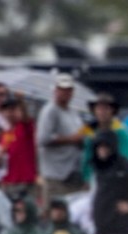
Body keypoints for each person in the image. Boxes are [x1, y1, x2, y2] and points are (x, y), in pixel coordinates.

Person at [35, 73, 85, 205]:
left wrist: (82, 139)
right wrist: (72, 139)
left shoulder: (73, 112)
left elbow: (78, 135)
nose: (65, 92)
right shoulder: (50, 111)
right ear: (55, 90)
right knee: (55, 214)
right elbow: (42, 139)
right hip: (55, 175)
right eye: (62, 89)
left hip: (72, 173)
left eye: (68, 90)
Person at [81, 92, 128, 184]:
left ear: (112, 111)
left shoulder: (120, 131)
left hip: (117, 180)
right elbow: (87, 158)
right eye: (99, 108)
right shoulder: (90, 132)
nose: (102, 112)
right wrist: (86, 179)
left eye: (106, 109)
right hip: (95, 180)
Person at [0, 95, 38, 200]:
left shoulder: (25, 127)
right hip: (7, 183)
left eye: (13, 109)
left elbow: (26, 118)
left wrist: (21, 102)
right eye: (7, 110)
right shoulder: (5, 133)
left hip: (25, 182)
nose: (10, 113)